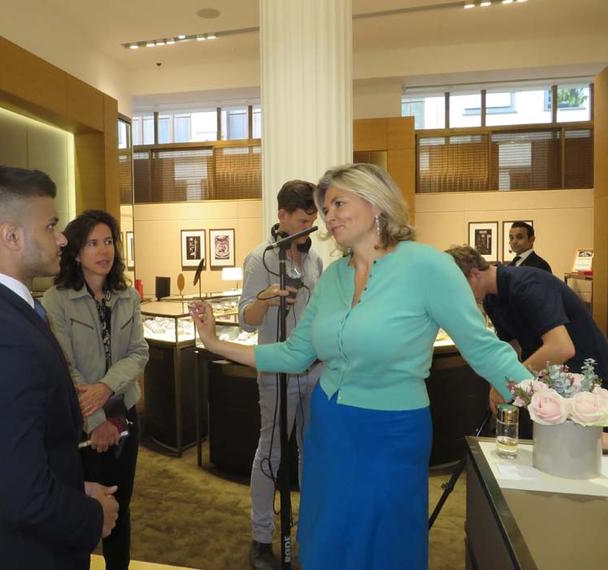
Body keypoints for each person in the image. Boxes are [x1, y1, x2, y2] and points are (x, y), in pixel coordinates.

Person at [190, 163, 531, 570]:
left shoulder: (427, 266)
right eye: (324, 207)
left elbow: (484, 349)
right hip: (329, 429)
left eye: (338, 203)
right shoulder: (333, 277)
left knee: (383, 545)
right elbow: (296, 353)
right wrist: (214, 342)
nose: (328, 216)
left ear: (376, 203)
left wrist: (546, 402)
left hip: (391, 434)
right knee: (326, 541)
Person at [0, 166, 118, 570]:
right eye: (50, 225)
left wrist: (72, 488)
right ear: (11, 236)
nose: (62, 237)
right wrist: (91, 517)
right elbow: (20, 495)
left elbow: (12, 457)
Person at [42, 210, 149, 570]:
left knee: (120, 506)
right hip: (80, 421)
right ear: (74, 251)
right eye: (91, 243)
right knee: (82, 510)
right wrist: (98, 420)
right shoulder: (55, 300)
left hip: (124, 414)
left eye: (108, 242)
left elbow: (139, 352)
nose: (103, 251)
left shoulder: (126, 294)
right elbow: (65, 369)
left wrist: (105, 388)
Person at [239, 180, 323, 570]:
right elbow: (245, 320)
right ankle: (261, 538)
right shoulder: (261, 259)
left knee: (311, 453)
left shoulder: (317, 260)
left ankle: (307, 532)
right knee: (270, 453)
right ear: (282, 217)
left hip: (315, 371)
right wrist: (264, 299)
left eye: (313, 219)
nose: (310, 227)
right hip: (276, 371)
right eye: (302, 221)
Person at [445, 245, 608, 441]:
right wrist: (499, 381)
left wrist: (509, 383)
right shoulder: (491, 299)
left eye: (457, 287)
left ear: (473, 274)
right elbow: (511, 347)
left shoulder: (527, 285)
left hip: (587, 379)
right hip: (553, 377)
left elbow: (561, 347)